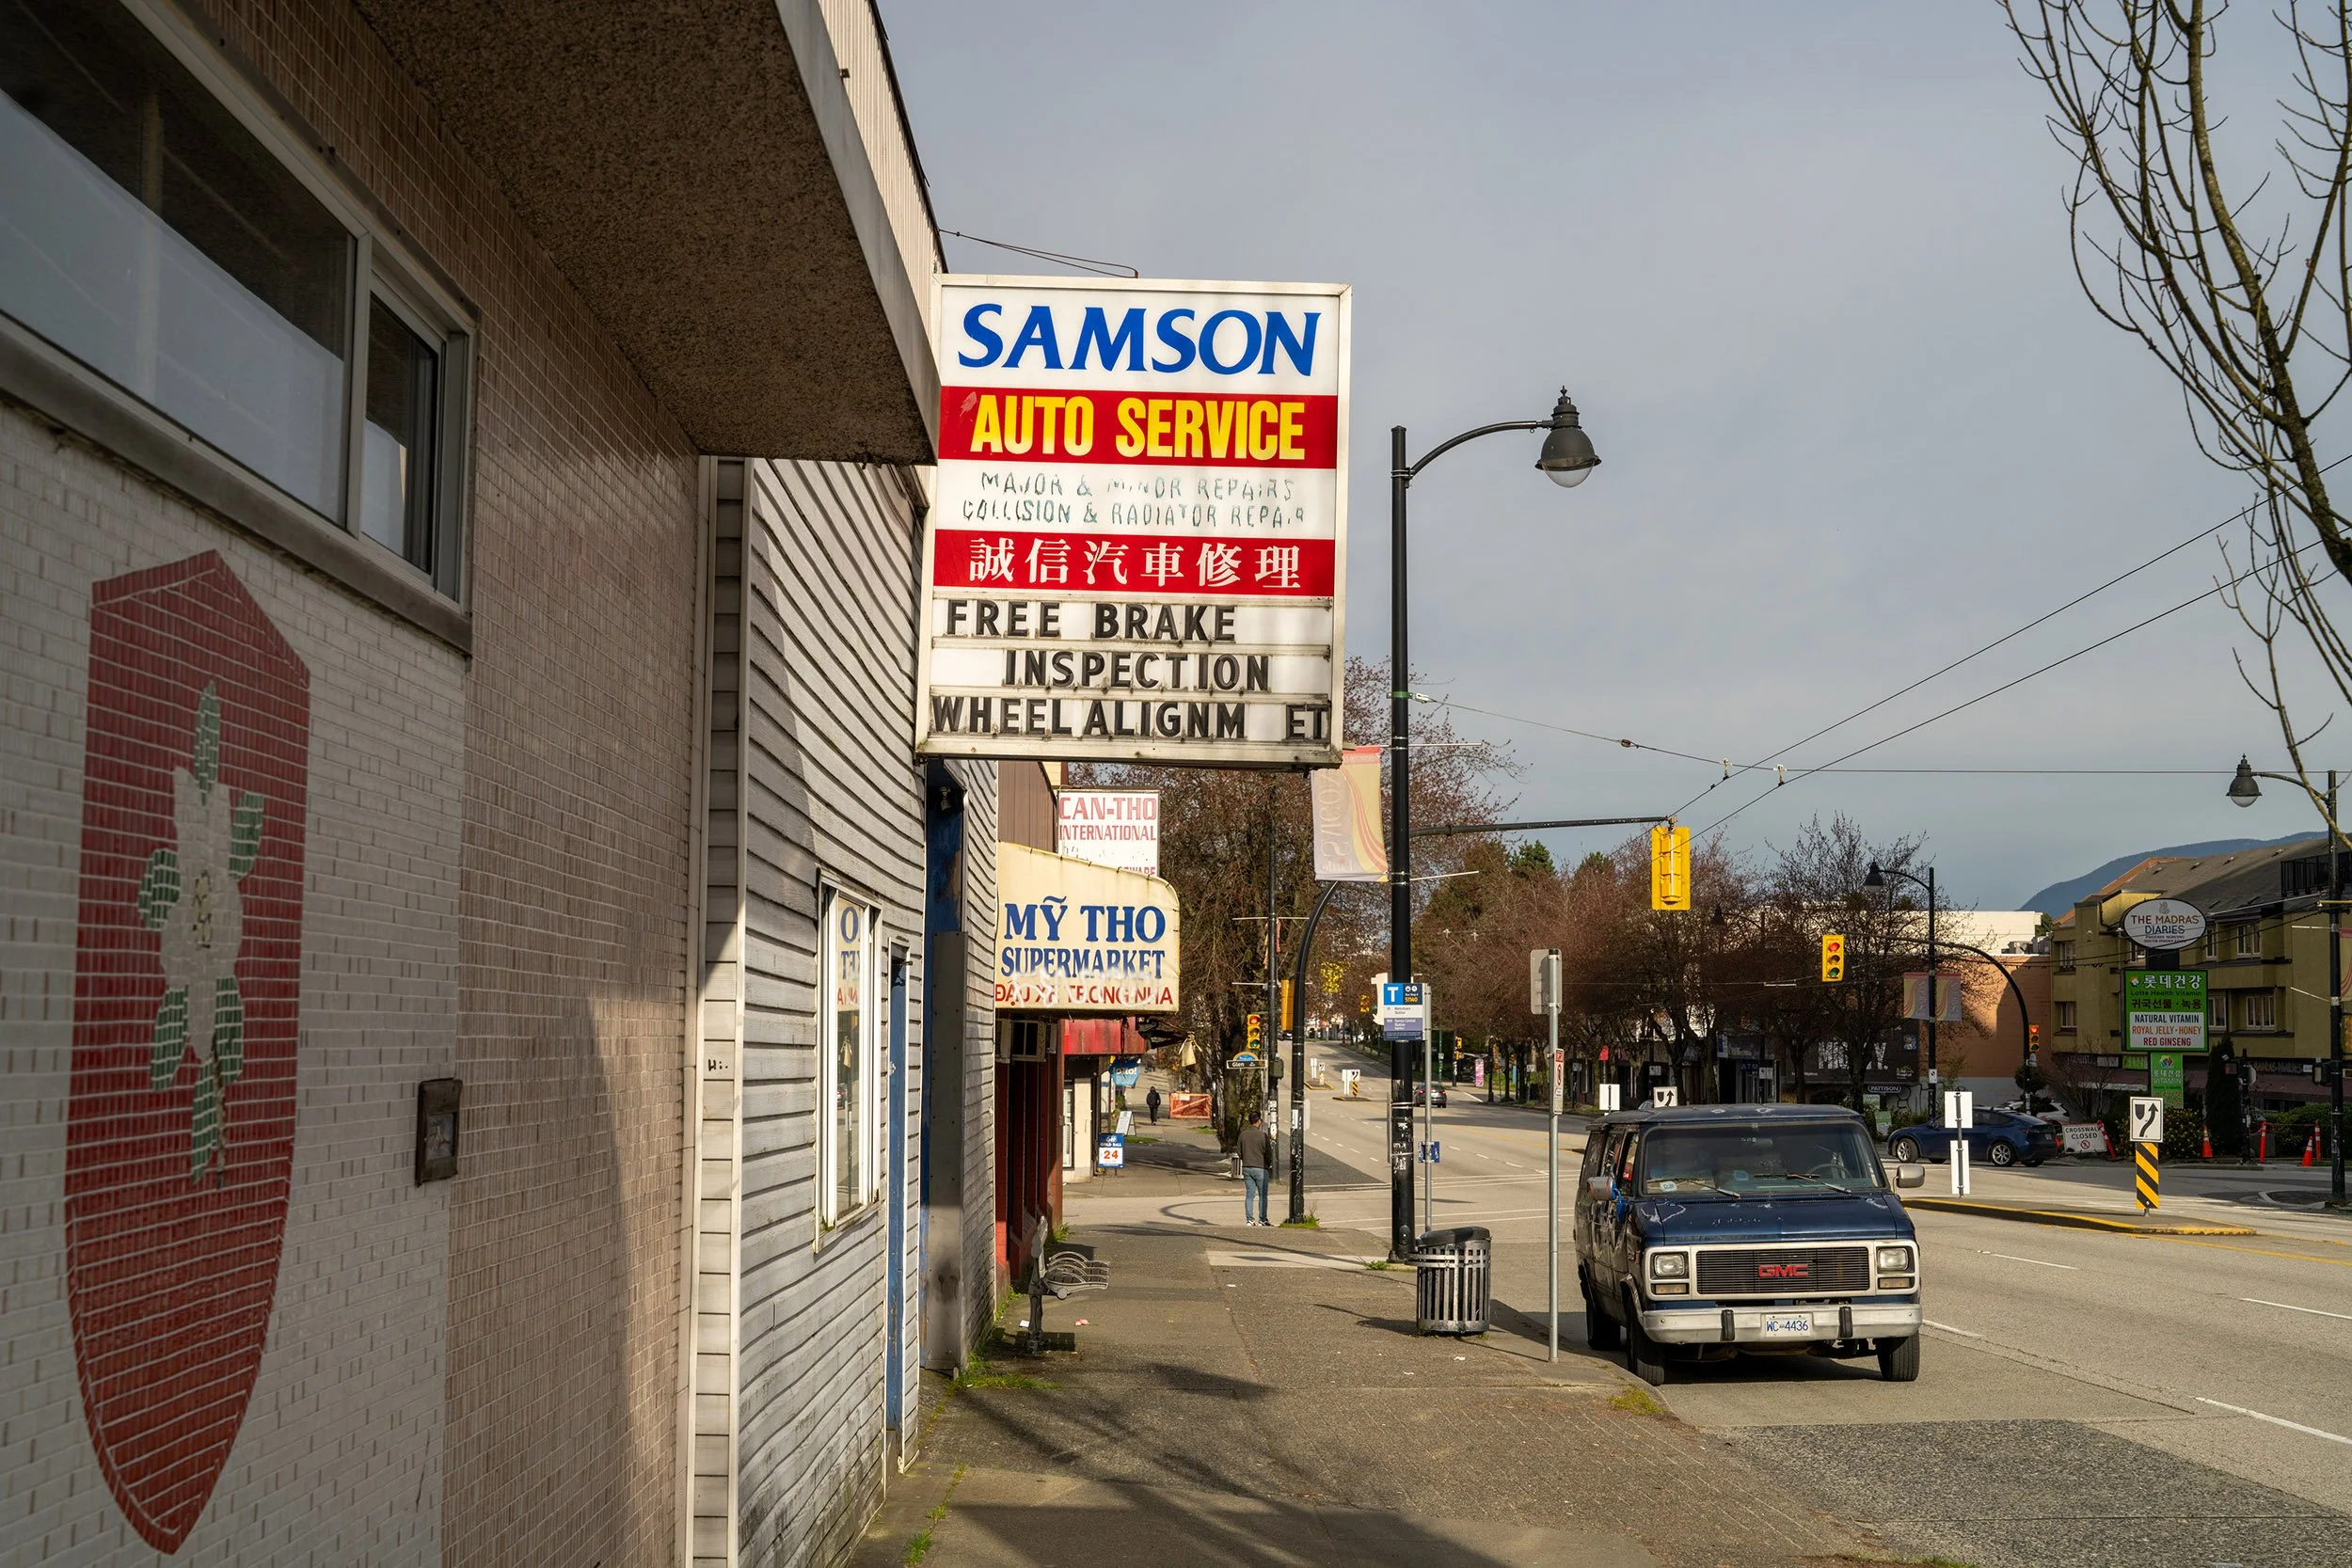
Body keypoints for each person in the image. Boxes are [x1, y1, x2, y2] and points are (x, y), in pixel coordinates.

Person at [1237, 1112, 1274, 1226]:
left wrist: (1245, 1159)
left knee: (1249, 1194)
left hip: (1247, 1167)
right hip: (1261, 1167)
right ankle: (1262, 1219)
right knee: (1263, 1195)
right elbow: (1268, 1153)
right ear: (1259, 1121)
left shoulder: (1243, 1135)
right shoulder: (1263, 1135)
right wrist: (1268, 1164)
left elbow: (1239, 1151)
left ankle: (1250, 1219)